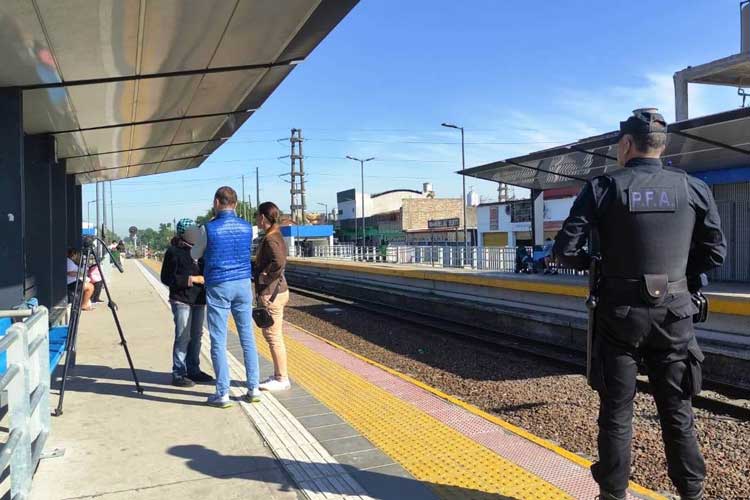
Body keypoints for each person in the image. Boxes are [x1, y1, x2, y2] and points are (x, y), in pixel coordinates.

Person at [553, 109, 726, 500]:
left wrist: (597, 265)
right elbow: (716, 253)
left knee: (617, 413)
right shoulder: (694, 189)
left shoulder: (602, 188)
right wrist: (681, 279)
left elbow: (564, 251)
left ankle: (613, 495)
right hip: (676, 316)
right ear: (661, 147)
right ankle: (692, 493)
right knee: (678, 410)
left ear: (627, 145)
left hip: (619, 315)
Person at [190, 186, 260, 407]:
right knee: (247, 336)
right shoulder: (248, 227)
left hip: (219, 284)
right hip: (243, 284)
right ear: (236, 204)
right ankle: (254, 388)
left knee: (218, 340)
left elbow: (194, 254)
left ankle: (223, 393)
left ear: (216, 202)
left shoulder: (208, 228)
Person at [160, 218, 213, 388]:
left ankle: (193, 370)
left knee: (197, 336)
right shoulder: (174, 252)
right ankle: (178, 372)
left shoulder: (202, 250)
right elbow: (166, 277)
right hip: (181, 299)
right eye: (192, 230)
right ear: (184, 233)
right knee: (183, 336)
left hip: (199, 299)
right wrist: (191, 279)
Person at [253, 202, 291, 391]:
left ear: (262, 217)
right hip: (277, 291)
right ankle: (279, 374)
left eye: (257, 216)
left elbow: (279, 261)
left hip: (272, 293)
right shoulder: (276, 234)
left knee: (273, 336)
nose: (256, 220)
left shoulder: (270, 239)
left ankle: (281, 378)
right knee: (274, 335)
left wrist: (265, 276)